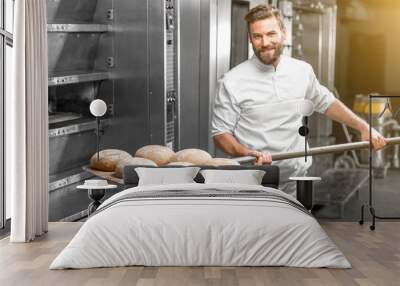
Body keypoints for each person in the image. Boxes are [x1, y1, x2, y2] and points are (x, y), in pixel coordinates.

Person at [211, 4, 387, 197]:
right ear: (250, 38)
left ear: (283, 33)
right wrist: (245, 152)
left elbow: (326, 102)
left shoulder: (301, 70)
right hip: (253, 181)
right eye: (257, 36)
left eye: (271, 34)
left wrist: (363, 127)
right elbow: (221, 134)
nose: (265, 42)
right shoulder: (232, 81)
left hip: (296, 181)